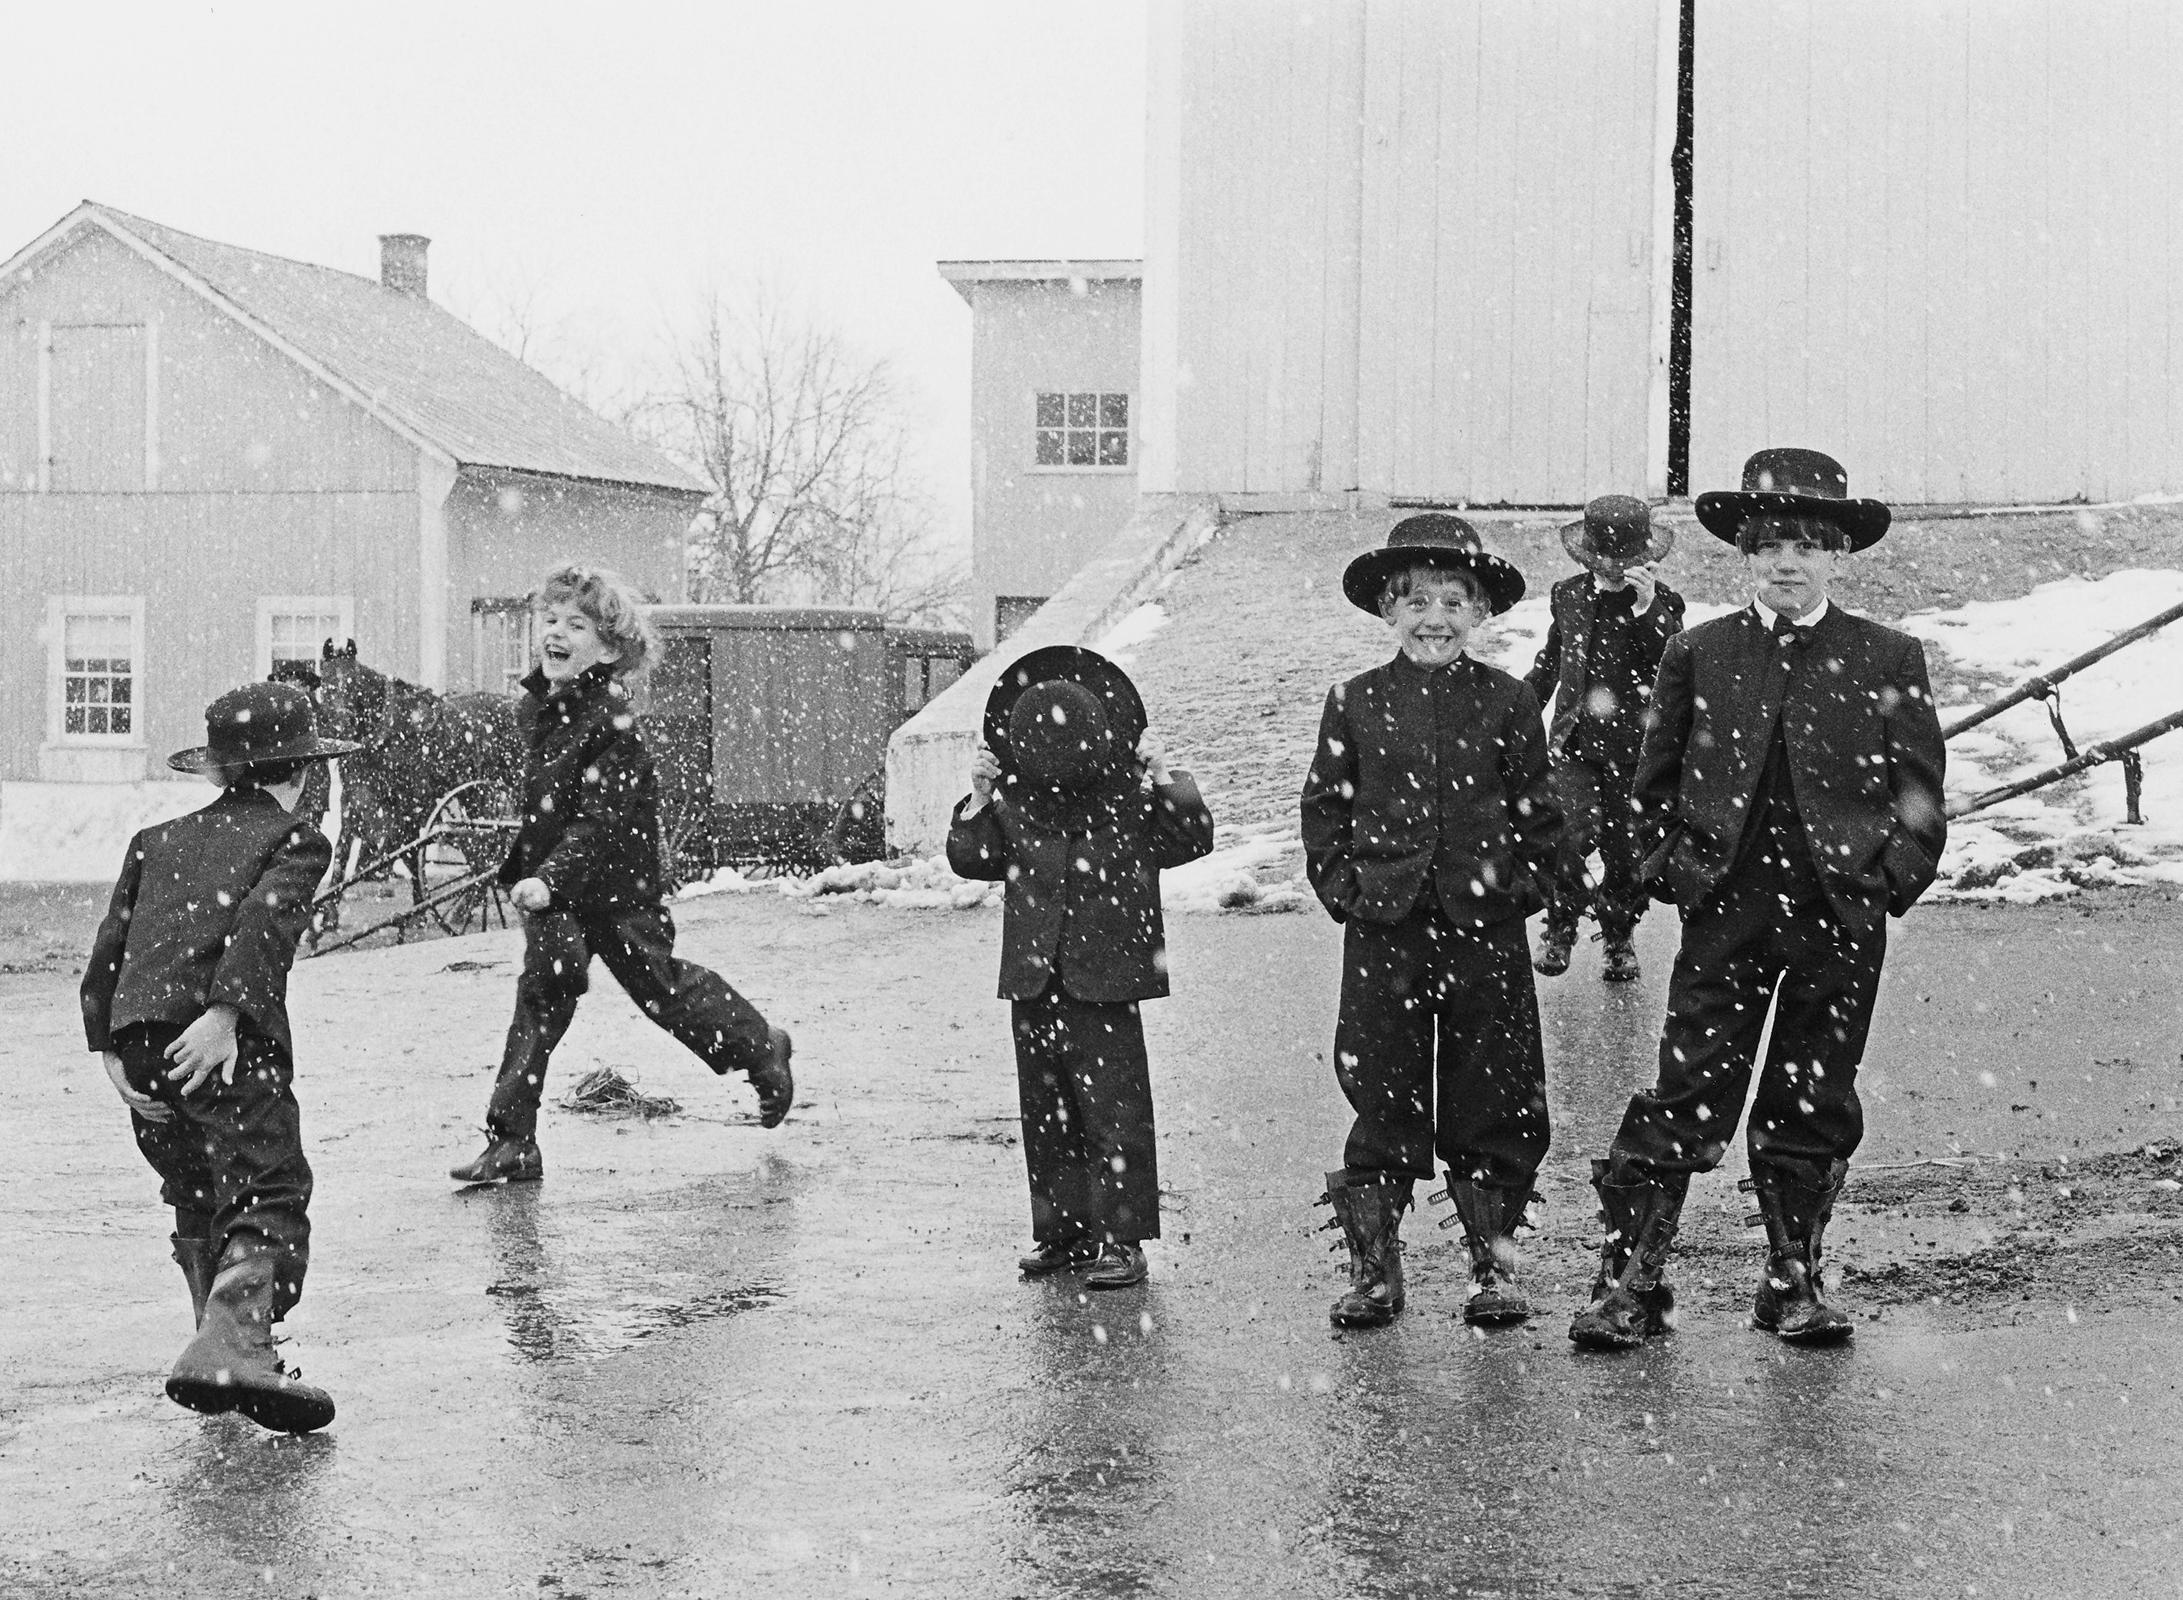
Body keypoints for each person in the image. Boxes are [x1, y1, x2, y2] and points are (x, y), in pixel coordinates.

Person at [1569, 448, 1947, 1352]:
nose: (1787, 562)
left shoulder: (1884, 654)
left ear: (1836, 558)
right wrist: (1675, 870)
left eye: (1807, 545)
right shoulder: (1698, 652)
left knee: (1813, 1091)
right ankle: (1632, 1278)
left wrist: (1886, 878)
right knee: (1689, 1085)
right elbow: (1650, 783)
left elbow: (1919, 793)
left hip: (1837, 912)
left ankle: (1791, 1277)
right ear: (1744, 553)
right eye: (1770, 542)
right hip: (1726, 908)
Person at [449, 564, 794, 1185]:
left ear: (608, 648)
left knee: (664, 992)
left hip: (615, 889)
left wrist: (551, 877)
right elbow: (545, 807)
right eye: (549, 619)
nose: (555, 632)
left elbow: (601, 822)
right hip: (555, 893)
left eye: (575, 624)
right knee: (542, 994)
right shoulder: (537, 710)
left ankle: (760, 1045)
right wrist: (538, 874)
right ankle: (512, 1141)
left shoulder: (613, 722)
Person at [1301, 515, 1561, 1329]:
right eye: (1415, 601)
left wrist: (1519, 889)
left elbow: (1540, 814)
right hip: (1384, 925)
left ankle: (1494, 1262)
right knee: (1380, 1086)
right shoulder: (1354, 702)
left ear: (1479, 613)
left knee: (1496, 1090)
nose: (1433, 618)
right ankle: (1375, 1270)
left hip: (1483, 926)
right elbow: (1322, 812)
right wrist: (1347, 889)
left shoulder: (1510, 701)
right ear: (1388, 609)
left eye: (1453, 600)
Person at [82, 680, 361, 1433]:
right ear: (300, 773)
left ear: (214, 772)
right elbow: (263, 929)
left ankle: (221, 1350)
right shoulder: (295, 839)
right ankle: (236, 1344)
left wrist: (111, 1046)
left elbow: (112, 945)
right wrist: (225, 1014)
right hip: (219, 1042)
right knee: (266, 1185)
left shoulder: (157, 841)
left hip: (142, 1047)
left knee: (198, 1190)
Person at [947, 645, 1214, 1290]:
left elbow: (1194, 836)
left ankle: (1122, 1241)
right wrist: (979, 796)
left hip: (1109, 976)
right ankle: (1061, 1233)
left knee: (1115, 1110)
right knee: (1047, 1109)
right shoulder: (1014, 800)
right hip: (1035, 979)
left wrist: (1165, 773)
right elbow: (970, 858)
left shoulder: (1132, 797)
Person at [1522, 495, 1686, 982]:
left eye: (1630, 563)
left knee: (1625, 849)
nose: (1617, 571)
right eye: (1606, 562)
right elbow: (1551, 661)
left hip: (1635, 751)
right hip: (1575, 743)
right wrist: (1520, 706)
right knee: (1565, 835)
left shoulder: (1663, 603)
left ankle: (1618, 933)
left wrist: (1646, 610)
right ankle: (1562, 919)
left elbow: (1674, 668)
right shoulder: (1568, 595)